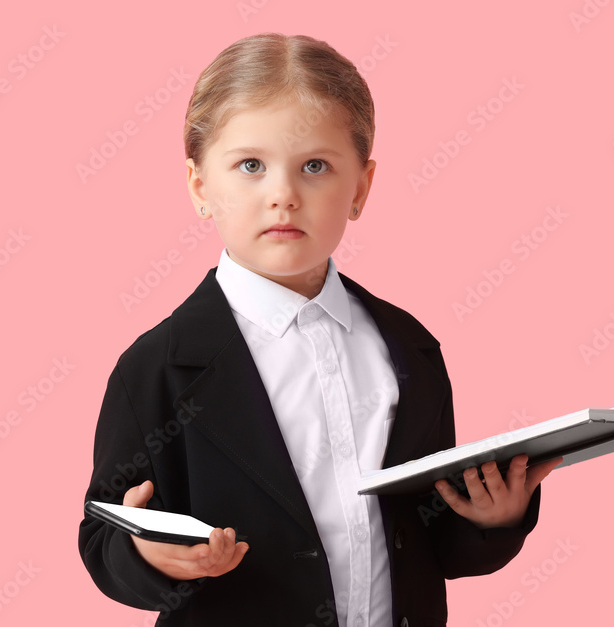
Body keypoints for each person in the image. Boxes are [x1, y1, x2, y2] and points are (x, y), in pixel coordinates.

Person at [78, 32, 559, 627]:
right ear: (201, 188)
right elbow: (102, 538)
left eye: (315, 166)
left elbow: (430, 540)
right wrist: (148, 557)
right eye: (250, 166)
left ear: (359, 188)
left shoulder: (408, 345)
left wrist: (492, 518)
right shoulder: (156, 366)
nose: (283, 196)